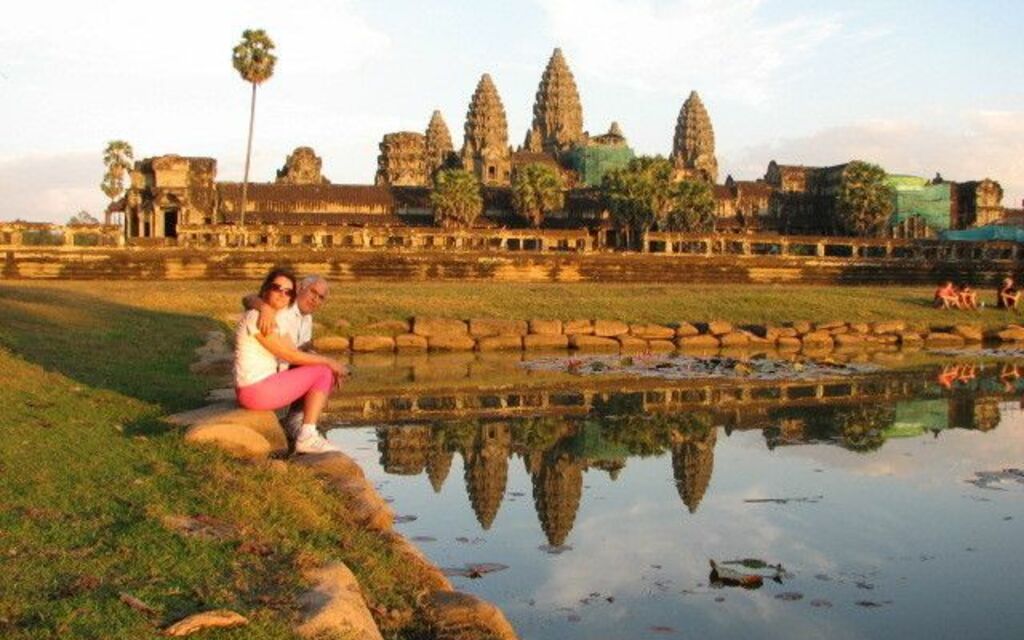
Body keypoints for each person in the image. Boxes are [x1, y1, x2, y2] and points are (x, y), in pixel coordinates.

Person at [235, 268, 345, 454]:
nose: (282, 295)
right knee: (323, 371)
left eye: (287, 292)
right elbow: (288, 354)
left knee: (321, 369)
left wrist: (324, 362)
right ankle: (306, 434)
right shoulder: (262, 316)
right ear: (266, 289)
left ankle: (298, 423)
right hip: (257, 390)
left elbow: (294, 350)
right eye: (277, 288)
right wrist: (328, 362)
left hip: (262, 385)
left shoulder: (280, 316)